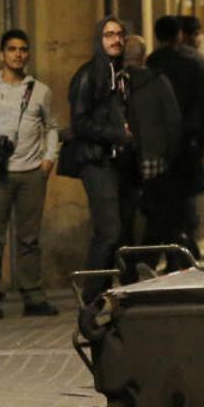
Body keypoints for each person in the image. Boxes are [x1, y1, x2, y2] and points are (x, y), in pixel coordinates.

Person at [0, 29, 60, 319]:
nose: (18, 54)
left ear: (28, 54)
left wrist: (48, 160)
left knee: (29, 239)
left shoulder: (40, 90)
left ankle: (33, 295)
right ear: (1, 54)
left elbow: (52, 126)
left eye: (23, 49)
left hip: (32, 173)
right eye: (12, 49)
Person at [69, 16, 137, 301]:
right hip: (96, 161)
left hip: (118, 162)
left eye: (120, 34)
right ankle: (92, 295)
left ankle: (116, 292)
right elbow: (79, 124)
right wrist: (117, 134)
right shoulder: (88, 76)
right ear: (99, 39)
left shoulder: (121, 76)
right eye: (109, 34)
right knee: (109, 230)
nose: (116, 40)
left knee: (122, 231)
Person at [147, 15, 204, 259]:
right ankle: (187, 250)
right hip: (190, 140)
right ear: (179, 34)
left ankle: (173, 252)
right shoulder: (197, 62)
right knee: (187, 198)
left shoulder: (153, 62)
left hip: (160, 141)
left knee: (165, 200)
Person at [122, 36, 183, 251]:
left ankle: (129, 260)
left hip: (125, 158)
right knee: (156, 213)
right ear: (144, 56)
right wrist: (170, 154)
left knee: (127, 214)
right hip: (155, 157)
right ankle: (148, 256)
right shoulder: (158, 81)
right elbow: (173, 121)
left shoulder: (116, 83)